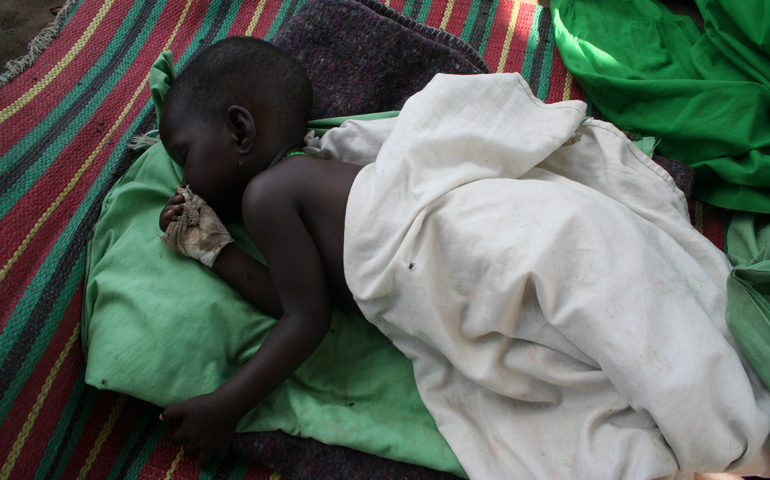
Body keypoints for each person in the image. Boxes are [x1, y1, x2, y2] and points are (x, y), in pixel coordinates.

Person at [157, 36, 362, 467]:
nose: (183, 184)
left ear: (240, 131)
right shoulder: (294, 192)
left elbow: (306, 321)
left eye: (183, 155)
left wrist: (226, 406)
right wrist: (213, 248)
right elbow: (296, 301)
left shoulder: (269, 192)